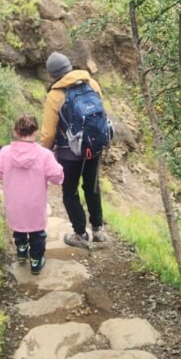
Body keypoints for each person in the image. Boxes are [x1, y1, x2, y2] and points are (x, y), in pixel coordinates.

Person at [40, 52, 108, 248]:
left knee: (70, 191)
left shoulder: (55, 95)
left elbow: (49, 132)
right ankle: (98, 230)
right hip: (93, 147)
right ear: (69, 67)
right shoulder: (92, 84)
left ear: (53, 74)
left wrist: (44, 152)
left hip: (69, 153)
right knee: (92, 187)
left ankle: (80, 234)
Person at [0, 114, 64, 274]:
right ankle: (36, 261)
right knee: (38, 232)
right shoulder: (44, 155)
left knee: (19, 227)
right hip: (35, 203)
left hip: (14, 202)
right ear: (36, 131)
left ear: (16, 132)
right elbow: (57, 177)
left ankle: (22, 250)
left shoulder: (5, 152)